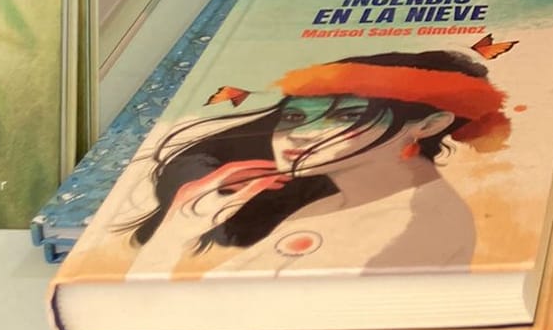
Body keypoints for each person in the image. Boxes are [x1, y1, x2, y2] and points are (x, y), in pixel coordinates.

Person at [123, 51, 508, 271]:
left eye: (345, 115)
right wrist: (175, 233)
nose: (300, 133)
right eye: (293, 116)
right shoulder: (332, 203)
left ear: (429, 124)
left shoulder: (411, 225)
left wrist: (166, 245)